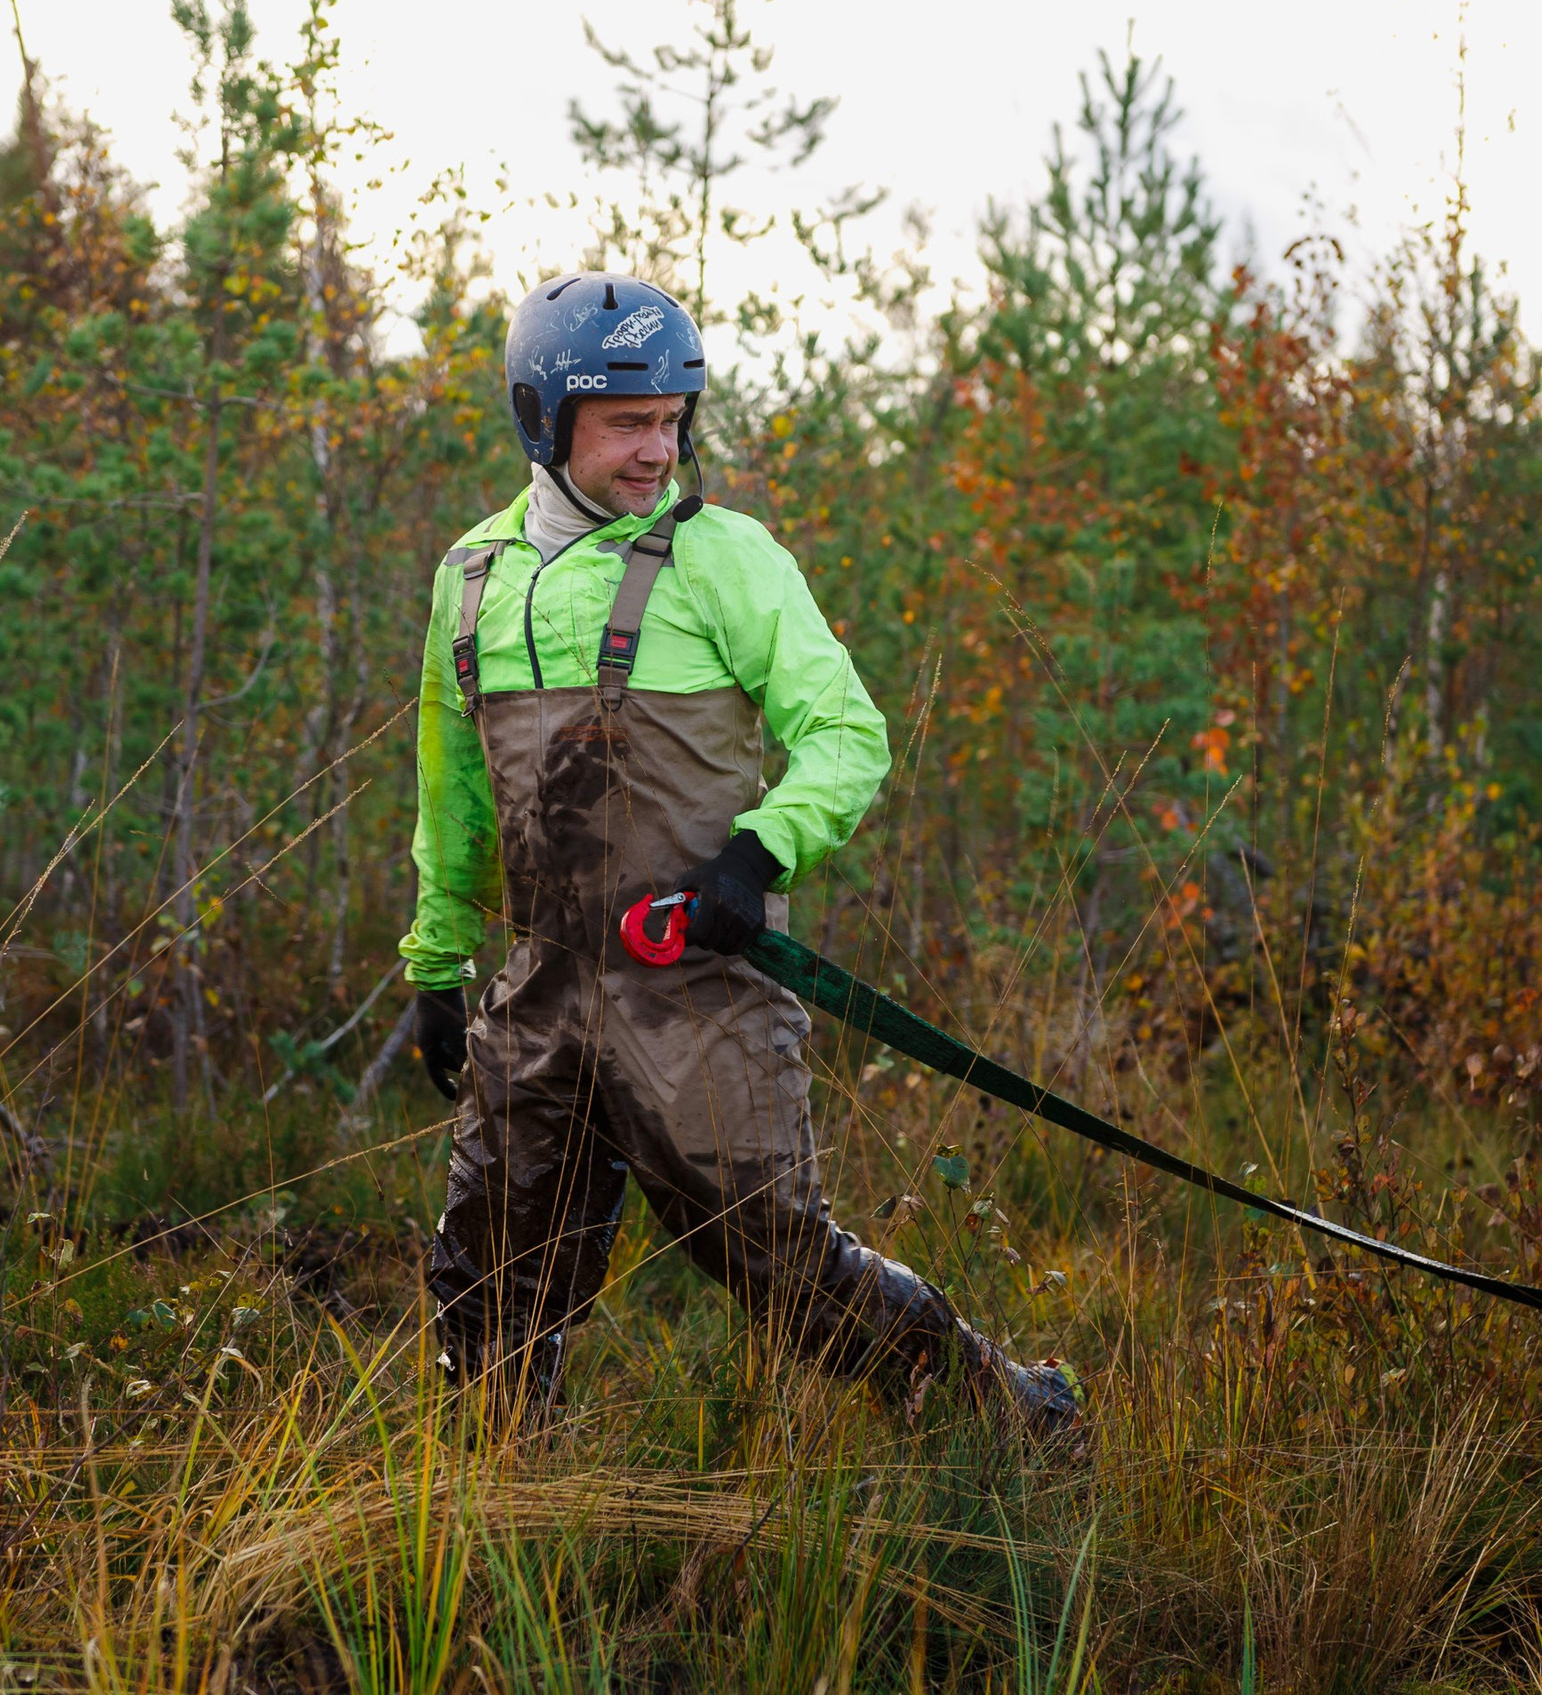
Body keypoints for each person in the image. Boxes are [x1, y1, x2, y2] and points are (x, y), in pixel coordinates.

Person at [400, 271, 1081, 1436]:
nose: (657, 448)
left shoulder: (729, 558)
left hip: (697, 983)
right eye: (626, 422)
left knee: (769, 1251)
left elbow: (845, 734)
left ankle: (1009, 1420)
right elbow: (455, 792)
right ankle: (499, 1493)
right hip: (542, 984)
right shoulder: (470, 577)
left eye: (672, 419)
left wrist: (755, 860)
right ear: (541, 417)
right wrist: (436, 960)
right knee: (492, 1263)